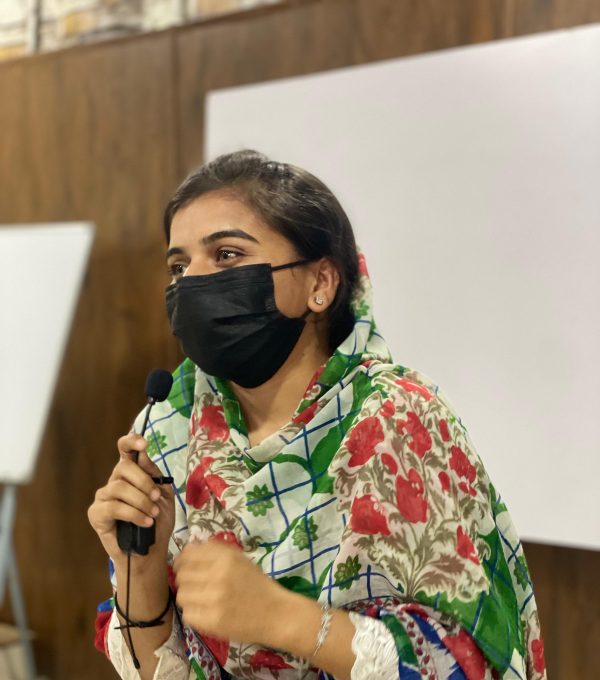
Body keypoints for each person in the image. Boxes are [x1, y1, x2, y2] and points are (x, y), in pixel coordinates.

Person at [88, 150, 547, 680]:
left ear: (320, 284)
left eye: (227, 255)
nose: (192, 283)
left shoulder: (397, 419)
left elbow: (469, 663)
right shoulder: (170, 428)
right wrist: (140, 573)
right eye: (178, 266)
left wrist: (282, 617)